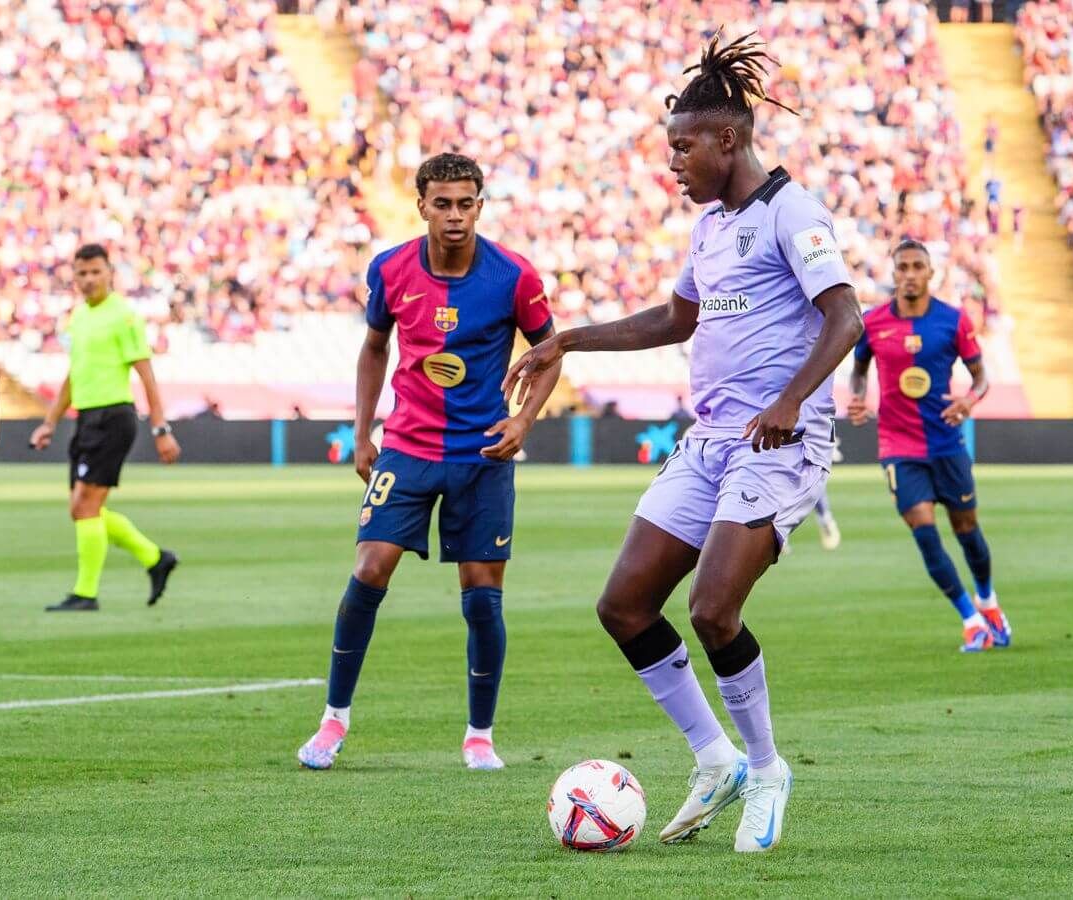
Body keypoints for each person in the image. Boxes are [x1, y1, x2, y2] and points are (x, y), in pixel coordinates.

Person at [506, 31, 862, 852]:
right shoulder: (711, 226)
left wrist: (786, 399)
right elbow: (677, 319)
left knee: (712, 609)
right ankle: (716, 758)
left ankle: (768, 767)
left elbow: (846, 317)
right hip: (710, 440)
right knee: (624, 605)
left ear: (727, 138)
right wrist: (569, 340)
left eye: (682, 146)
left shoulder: (791, 211)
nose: (672, 163)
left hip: (780, 442)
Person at [297, 153, 563, 773]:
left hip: (482, 453)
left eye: (466, 203)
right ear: (420, 204)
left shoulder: (513, 276)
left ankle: (479, 735)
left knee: (481, 596)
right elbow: (373, 347)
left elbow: (550, 354)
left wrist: (522, 420)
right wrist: (362, 433)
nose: (455, 216)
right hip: (408, 446)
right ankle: (333, 721)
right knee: (369, 569)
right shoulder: (390, 269)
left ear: (480, 206)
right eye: (442, 203)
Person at [848, 240, 1011, 652]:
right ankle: (970, 620)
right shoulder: (874, 322)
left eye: (917, 266)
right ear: (893, 272)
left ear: (930, 273)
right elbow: (859, 370)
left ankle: (988, 601)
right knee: (924, 531)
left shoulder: (953, 321)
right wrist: (857, 396)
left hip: (946, 443)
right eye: (901, 266)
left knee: (966, 529)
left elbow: (981, 379)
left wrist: (969, 402)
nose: (908, 273)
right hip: (897, 445)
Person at [29, 244, 180, 611]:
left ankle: (86, 593)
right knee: (83, 508)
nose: (89, 279)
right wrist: (49, 422)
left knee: (84, 507)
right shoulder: (78, 318)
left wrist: (161, 429)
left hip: (114, 417)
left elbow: (146, 374)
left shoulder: (124, 316)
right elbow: (73, 376)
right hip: (87, 419)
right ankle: (155, 558)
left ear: (110, 272)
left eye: (96, 271)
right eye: (81, 273)